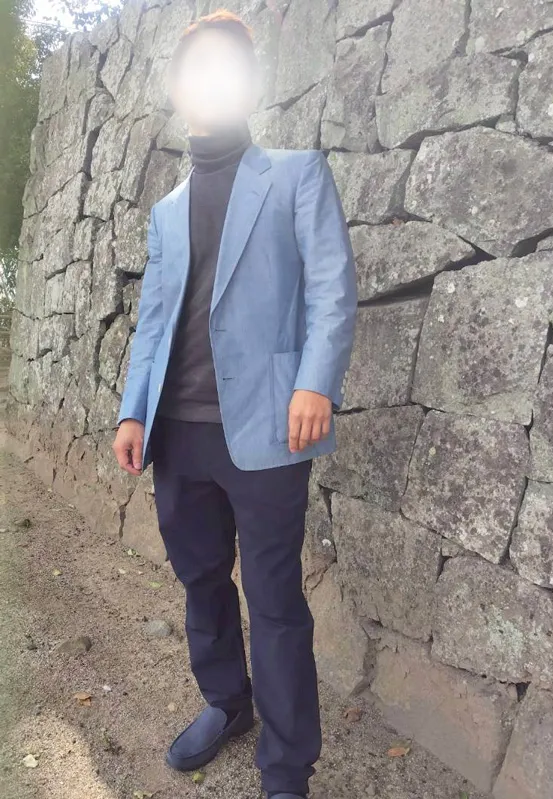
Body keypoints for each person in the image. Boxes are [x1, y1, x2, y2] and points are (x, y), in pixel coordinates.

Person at [112, 10, 357, 799]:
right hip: (176, 432)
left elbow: (332, 287)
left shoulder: (295, 174)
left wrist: (315, 381)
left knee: (276, 602)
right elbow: (154, 321)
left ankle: (286, 769)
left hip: (267, 428)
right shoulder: (165, 210)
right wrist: (132, 410)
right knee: (201, 579)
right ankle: (227, 701)